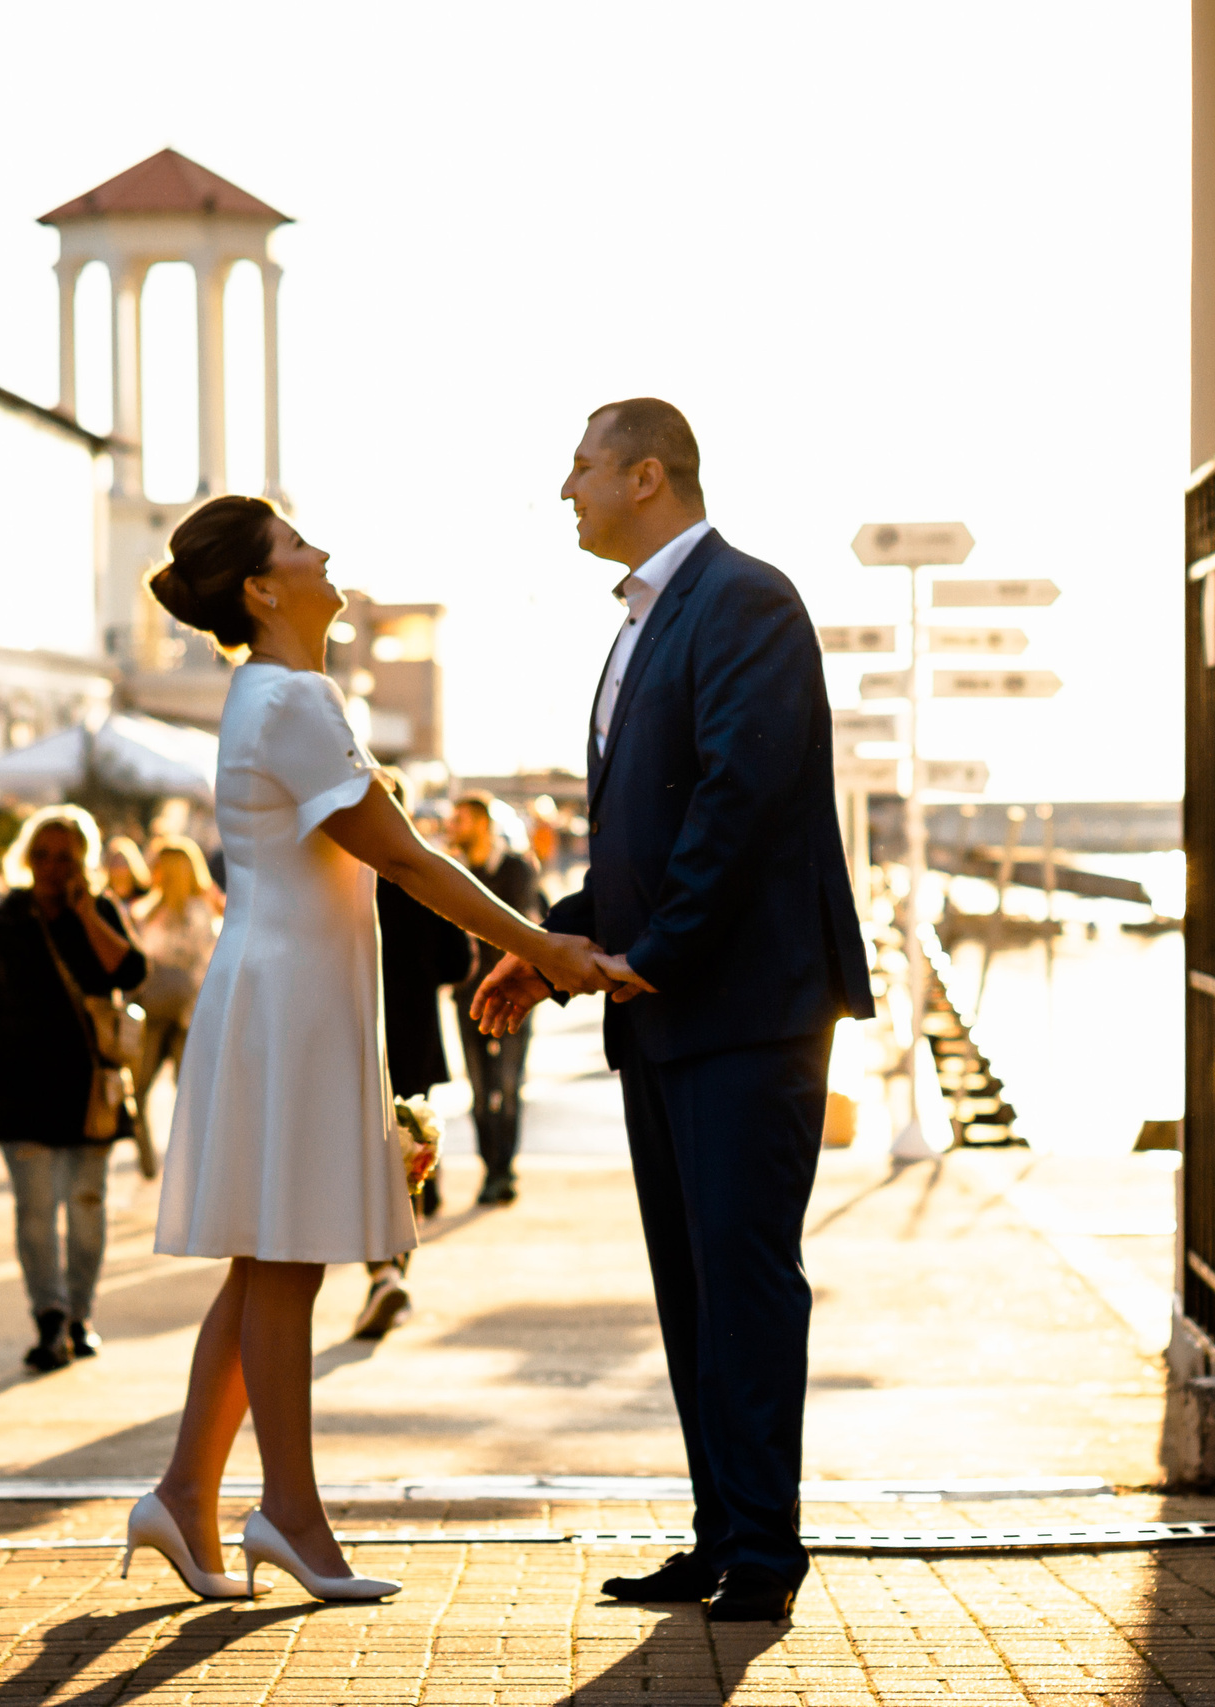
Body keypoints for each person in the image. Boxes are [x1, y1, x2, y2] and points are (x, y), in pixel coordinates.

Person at [125, 493, 613, 1604]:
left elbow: (388, 856)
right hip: (289, 999)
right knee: (286, 1257)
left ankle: (186, 1494)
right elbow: (406, 859)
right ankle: (288, 1514)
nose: (324, 553)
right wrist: (542, 943)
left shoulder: (277, 693)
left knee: (267, 1258)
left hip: (283, 990)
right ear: (261, 589)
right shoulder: (290, 697)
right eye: (298, 545)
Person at [473, 399, 872, 1625]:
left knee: (744, 1283)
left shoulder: (747, 601)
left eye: (582, 466)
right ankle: (720, 1536)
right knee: (693, 1289)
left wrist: (653, 952)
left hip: (741, 1007)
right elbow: (647, 837)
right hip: (664, 1006)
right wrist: (549, 949)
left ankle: (763, 1554)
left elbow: (739, 802)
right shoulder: (646, 619)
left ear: (647, 476)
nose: (566, 489)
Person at [0, 805, 149, 1373]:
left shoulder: (98, 912)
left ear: (84, 863)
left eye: (66, 858)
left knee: (86, 1206)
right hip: (19, 1088)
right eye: (43, 855)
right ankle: (50, 1318)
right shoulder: (0, 922)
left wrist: (86, 913)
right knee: (35, 1211)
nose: (53, 867)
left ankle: (80, 1314)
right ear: (26, 858)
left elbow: (132, 973)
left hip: (87, 1090)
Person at [353, 770, 477, 1341]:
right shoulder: (422, 874)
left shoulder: (344, 876)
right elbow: (458, 961)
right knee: (406, 1151)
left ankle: (382, 1273)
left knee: (364, 1156)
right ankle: (394, 1269)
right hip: (413, 1035)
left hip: (354, 1033)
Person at [447, 791, 544, 1206]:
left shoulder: (517, 868)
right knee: (478, 1092)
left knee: (507, 1087)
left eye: (460, 820)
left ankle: (504, 1171)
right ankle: (491, 1170)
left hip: (512, 994)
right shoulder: (452, 870)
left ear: (483, 824)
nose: (451, 827)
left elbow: (519, 923)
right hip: (468, 996)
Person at [130, 833, 222, 1180]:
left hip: (186, 1014)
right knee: (138, 1090)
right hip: (156, 1011)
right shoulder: (147, 910)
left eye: (159, 865)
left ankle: (192, 1164)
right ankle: (148, 1161)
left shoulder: (198, 912)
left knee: (191, 1093)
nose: (152, 870)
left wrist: (194, 1008)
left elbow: (207, 962)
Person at [103, 836, 152, 909]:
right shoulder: (102, 903)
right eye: (114, 864)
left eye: (122, 864)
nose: (118, 870)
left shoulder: (147, 897)